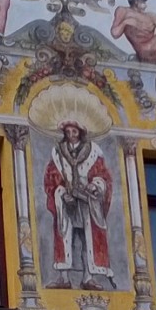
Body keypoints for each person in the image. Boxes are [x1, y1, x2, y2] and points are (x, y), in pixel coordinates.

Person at [43, 121, 114, 289]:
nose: (71, 135)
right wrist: (61, 192)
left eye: (74, 131)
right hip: (66, 201)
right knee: (65, 235)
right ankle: (64, 278)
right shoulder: (58, 152)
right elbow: (51, 177)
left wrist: (95, 185)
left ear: (80, 133)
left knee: (87, 237)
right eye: (67, 131)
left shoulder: (93, 152)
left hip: (86, 200)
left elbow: (102, 175)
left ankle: (88, 277)